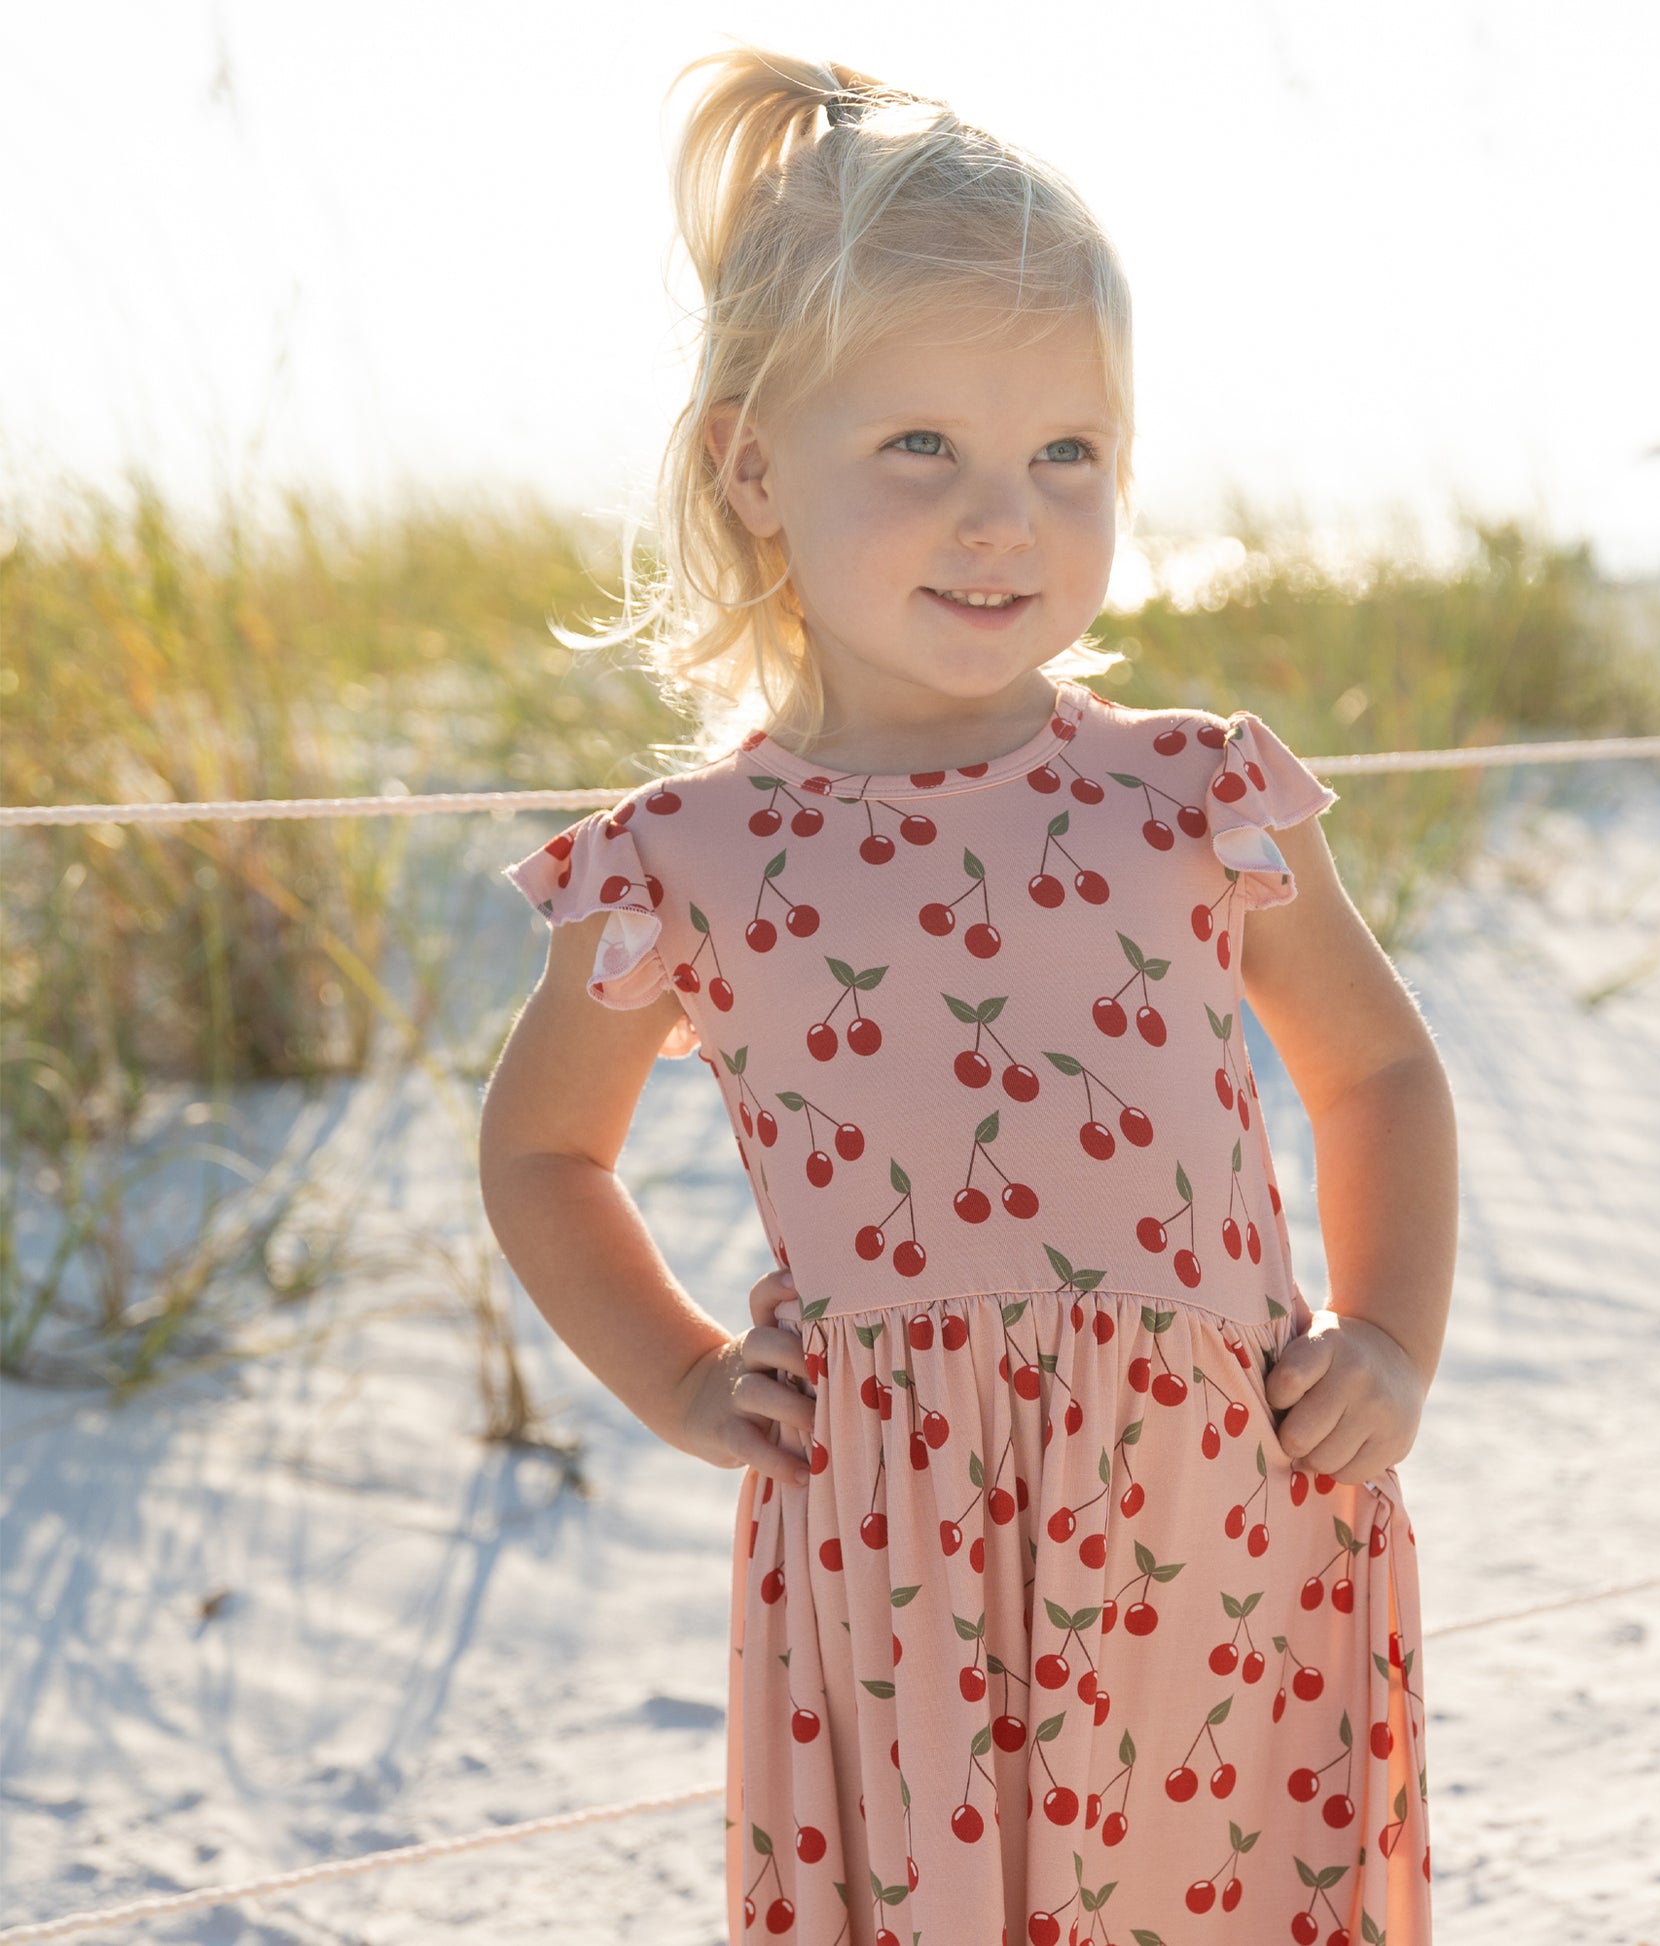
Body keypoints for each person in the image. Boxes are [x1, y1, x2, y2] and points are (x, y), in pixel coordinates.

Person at [479, 43, 1456, 1946]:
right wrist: (680, 1372)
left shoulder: (1195, 794)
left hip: (1223, 1522)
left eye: (1063, 455)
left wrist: (1392, 1337)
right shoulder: (682, 859)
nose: (1001, 518)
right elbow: (540, 1153)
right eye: (919, 448)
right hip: (893, 1548)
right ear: (751, 462)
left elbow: (1378, 1075)